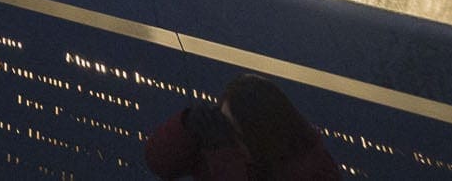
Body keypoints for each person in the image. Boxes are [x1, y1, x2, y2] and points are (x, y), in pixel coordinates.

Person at [143, 73, 343, 180]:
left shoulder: (310, 169)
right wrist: (185, 126)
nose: (224, 133)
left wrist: (225, 158)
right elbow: (159, 165)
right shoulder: (218, 138)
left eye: (234, 131)